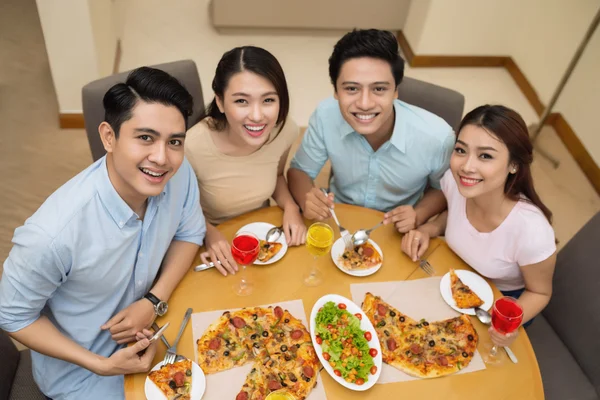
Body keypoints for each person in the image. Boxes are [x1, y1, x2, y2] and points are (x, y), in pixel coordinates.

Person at [0, 67, 206, 399]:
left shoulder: (178, 176)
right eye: (145, 137)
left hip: (157, 333)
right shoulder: (52, 234)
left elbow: (190, 233)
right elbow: (12, 315)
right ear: (109, 137)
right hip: (85, 375)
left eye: (175, 141)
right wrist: (100, 364)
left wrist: (154, 301)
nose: (162, 158)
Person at [401, 105, 556, 344]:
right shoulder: (457, 184)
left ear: (514, 165)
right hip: (454, 276)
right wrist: (428, 229)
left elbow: (540, 292)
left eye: (485, 156)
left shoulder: (532, 231)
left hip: (501, 303)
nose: (466, 166)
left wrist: (506, 322)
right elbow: (454, 212)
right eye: (461, 150)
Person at [287, 29, 454, 233]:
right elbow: (299, 171)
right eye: (351, 89)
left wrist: (418, 214)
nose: (364, 104)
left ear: (396, 91)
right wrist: (308, 201)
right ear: (335, 91)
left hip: (395, 229)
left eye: (379, 89)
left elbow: (445, 189)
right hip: (338, 217)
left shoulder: (437, 136)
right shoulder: (325, 115)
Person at [185, 46, 305, 277]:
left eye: (268, 100)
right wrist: (208, 232)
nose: (257, 116)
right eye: (242, 101)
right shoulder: (192, 146)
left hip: (261, 236)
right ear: (220, 102)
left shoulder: (284, 130)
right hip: (211, 244)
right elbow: (177, 208)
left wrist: (290, 207)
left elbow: (278, 175)